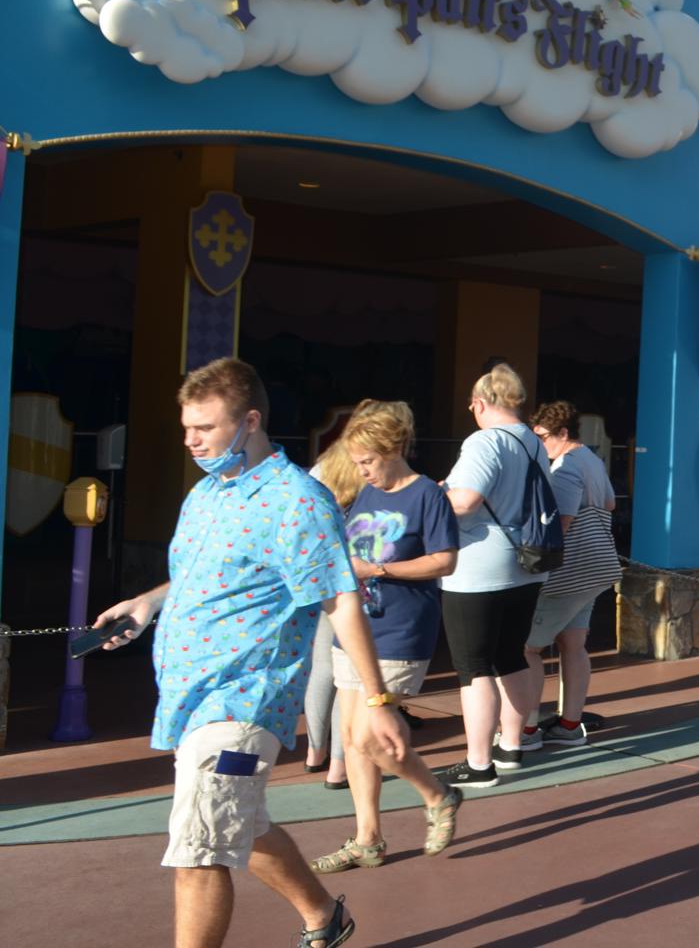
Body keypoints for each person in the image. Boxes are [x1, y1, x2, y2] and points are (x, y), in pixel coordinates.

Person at [91, 357, 406, 948]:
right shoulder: (208, 494)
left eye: (204, 428)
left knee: (199, 850)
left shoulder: (297, 500)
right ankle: (323, 916)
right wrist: (148, 604)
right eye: (187, 428)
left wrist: (377, 697)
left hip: (244, 700)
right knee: (241, 822)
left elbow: (340, 599)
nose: (191, 441)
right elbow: (203, 578)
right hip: (189, 696)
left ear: (250, 421)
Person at [309, 401, 463, 874]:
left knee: (375, 738)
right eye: (357, 463)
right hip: (355, 629)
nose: (362, 471)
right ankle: (367, 839)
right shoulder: (364, 493)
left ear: (393, 450)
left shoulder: (427, 497)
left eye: (368, 462)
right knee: (352, 741)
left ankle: (437, 794)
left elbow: (445, 561)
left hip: (400, 631)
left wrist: (378, 568)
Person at [437, 363, 550, 788]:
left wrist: (432, 501)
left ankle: (479, 763)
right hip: (526, 562)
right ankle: (512, 745)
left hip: (479, 567)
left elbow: (465, 501)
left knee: (473, 667)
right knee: (511, 655)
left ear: (481, 403)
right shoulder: (533, 442)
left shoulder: (484, 441)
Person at [520, 401, 625, 748]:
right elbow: (610, 504)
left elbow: (559, 525)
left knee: (528, 649)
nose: (540, 445)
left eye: (543, 438)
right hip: (598, 566)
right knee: (574, 645)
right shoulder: (593, 460)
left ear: (563, 434)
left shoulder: (564, 467)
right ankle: (569, 723)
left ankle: (527, 730)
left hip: (570, 570)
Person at [302, 439, 363, 790]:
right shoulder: (377, 473)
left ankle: (314, 751)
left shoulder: (322, 470)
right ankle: (338, 767)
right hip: (359, 575)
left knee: (321, 666)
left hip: (321, 571)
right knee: (348, 675)